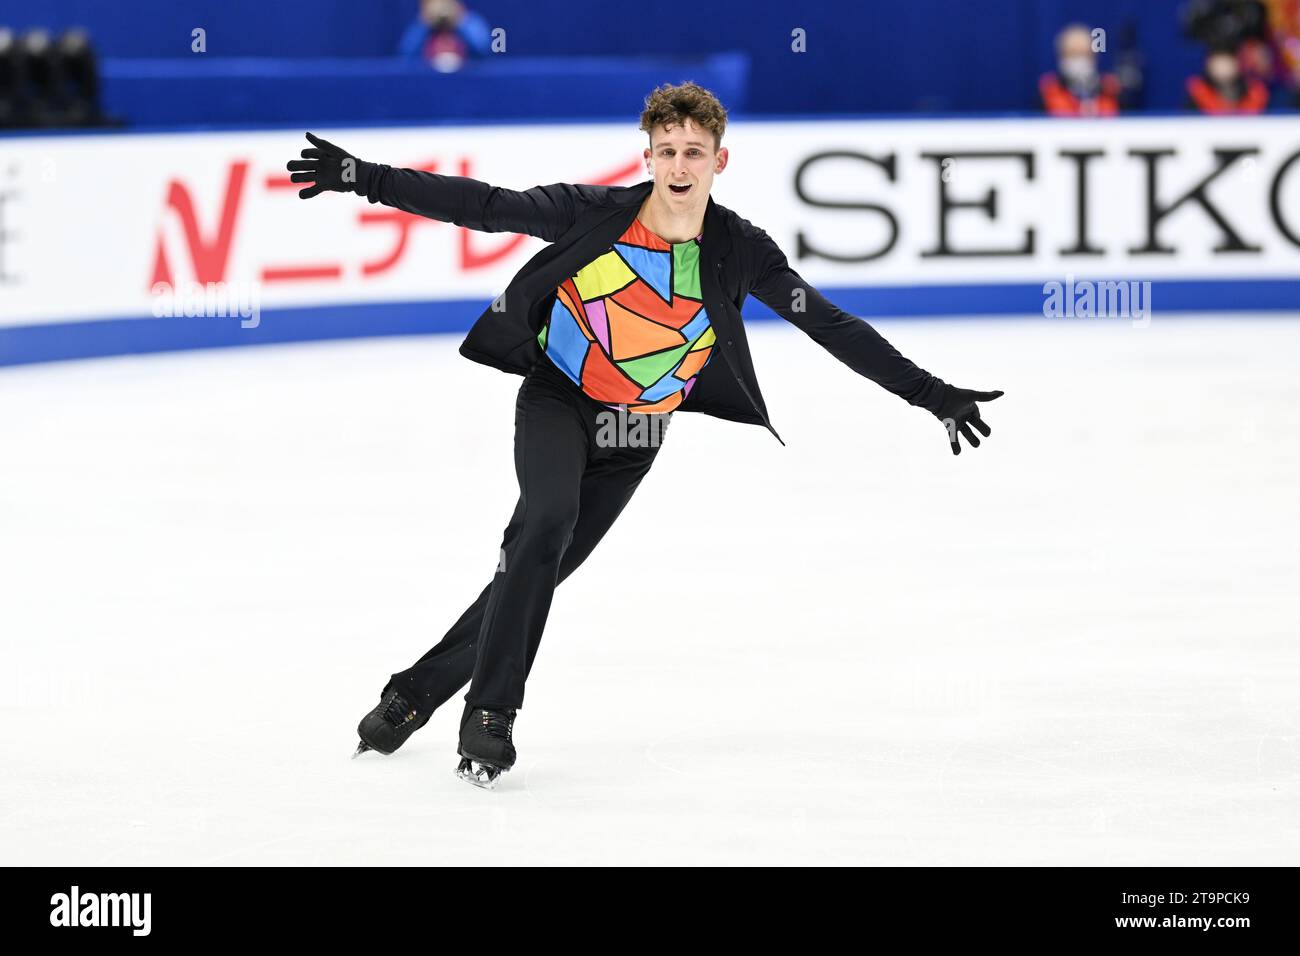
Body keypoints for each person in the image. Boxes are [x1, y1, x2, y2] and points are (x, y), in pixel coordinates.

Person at [285, 82, 1003, 789]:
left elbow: (828, 323)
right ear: (648, 157)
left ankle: (413, 692)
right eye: (667, 150)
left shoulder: (740, 250)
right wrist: (365, 178)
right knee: (543, 528)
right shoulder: (591, 214)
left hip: (636, 431)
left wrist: (929, 394)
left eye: (695, 151)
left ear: (720, 161)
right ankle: (490, 715)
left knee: (538, 568)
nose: (680, 166)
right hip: (558, 400)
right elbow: (487, 206)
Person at [1040, 23, 1121, 116]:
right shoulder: (1048, 91)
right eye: (1072, 54)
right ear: (1061, 57)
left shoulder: (1110, 90)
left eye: (1084, 54)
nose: (1079, 60)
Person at [397, 0, 491, 72]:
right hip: (428, 81)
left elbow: (483, 49)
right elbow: (406, 54)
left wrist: (461, 20)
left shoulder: (469, 21)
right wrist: (425, 22)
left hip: (465, 80)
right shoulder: (422, 25)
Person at [1186, 44, 1271, 112]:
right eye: (1218, 62)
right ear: (1208, 64)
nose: (1223, 68)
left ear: (1237, 63)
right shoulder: (1197, 92)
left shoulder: (1255, 93)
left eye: (1227, 61)